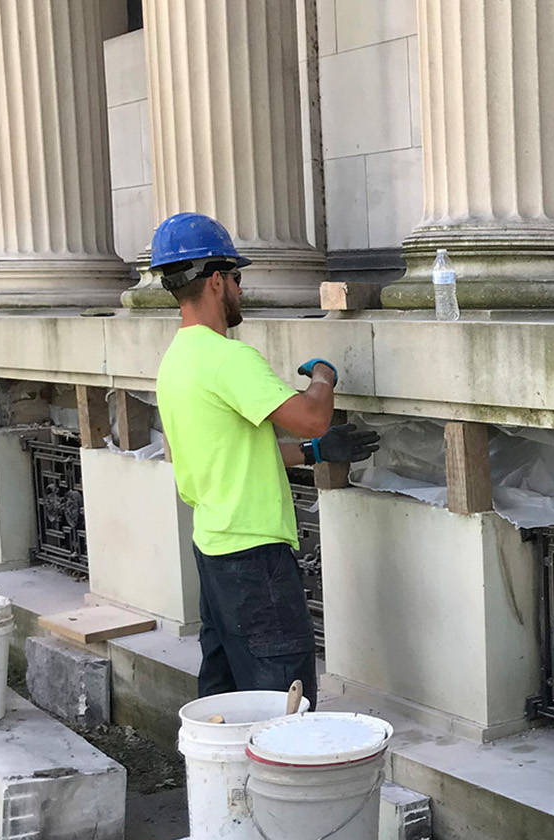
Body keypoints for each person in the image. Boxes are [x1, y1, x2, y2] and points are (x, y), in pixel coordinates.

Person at [148, 212, 380, 701]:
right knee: (284, 702)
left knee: (226, 696)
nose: (239, 288)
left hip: (214, 549)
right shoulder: (229, 358)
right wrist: (323, 375)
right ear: (215, 281)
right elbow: (314, 415)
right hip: (255, 561)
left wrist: (312, 453)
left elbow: (227, 454)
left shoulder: (175, 361)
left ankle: (222, 779)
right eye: (237, 277)